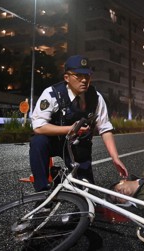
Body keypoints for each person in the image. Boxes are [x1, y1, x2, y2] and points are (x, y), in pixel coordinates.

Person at [29, 55, 128, 192]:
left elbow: (105, 128)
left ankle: (64, 179)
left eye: (87, 75)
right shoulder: (52, 94)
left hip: (79, 145)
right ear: (66, 78)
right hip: (54, 141)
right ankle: (42, 192)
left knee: (86, 192)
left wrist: (115, 158)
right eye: (78, 75)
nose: (84, 80)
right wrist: (71, 129)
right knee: (38, 142)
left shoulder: (96, 97)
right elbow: (38, 127)